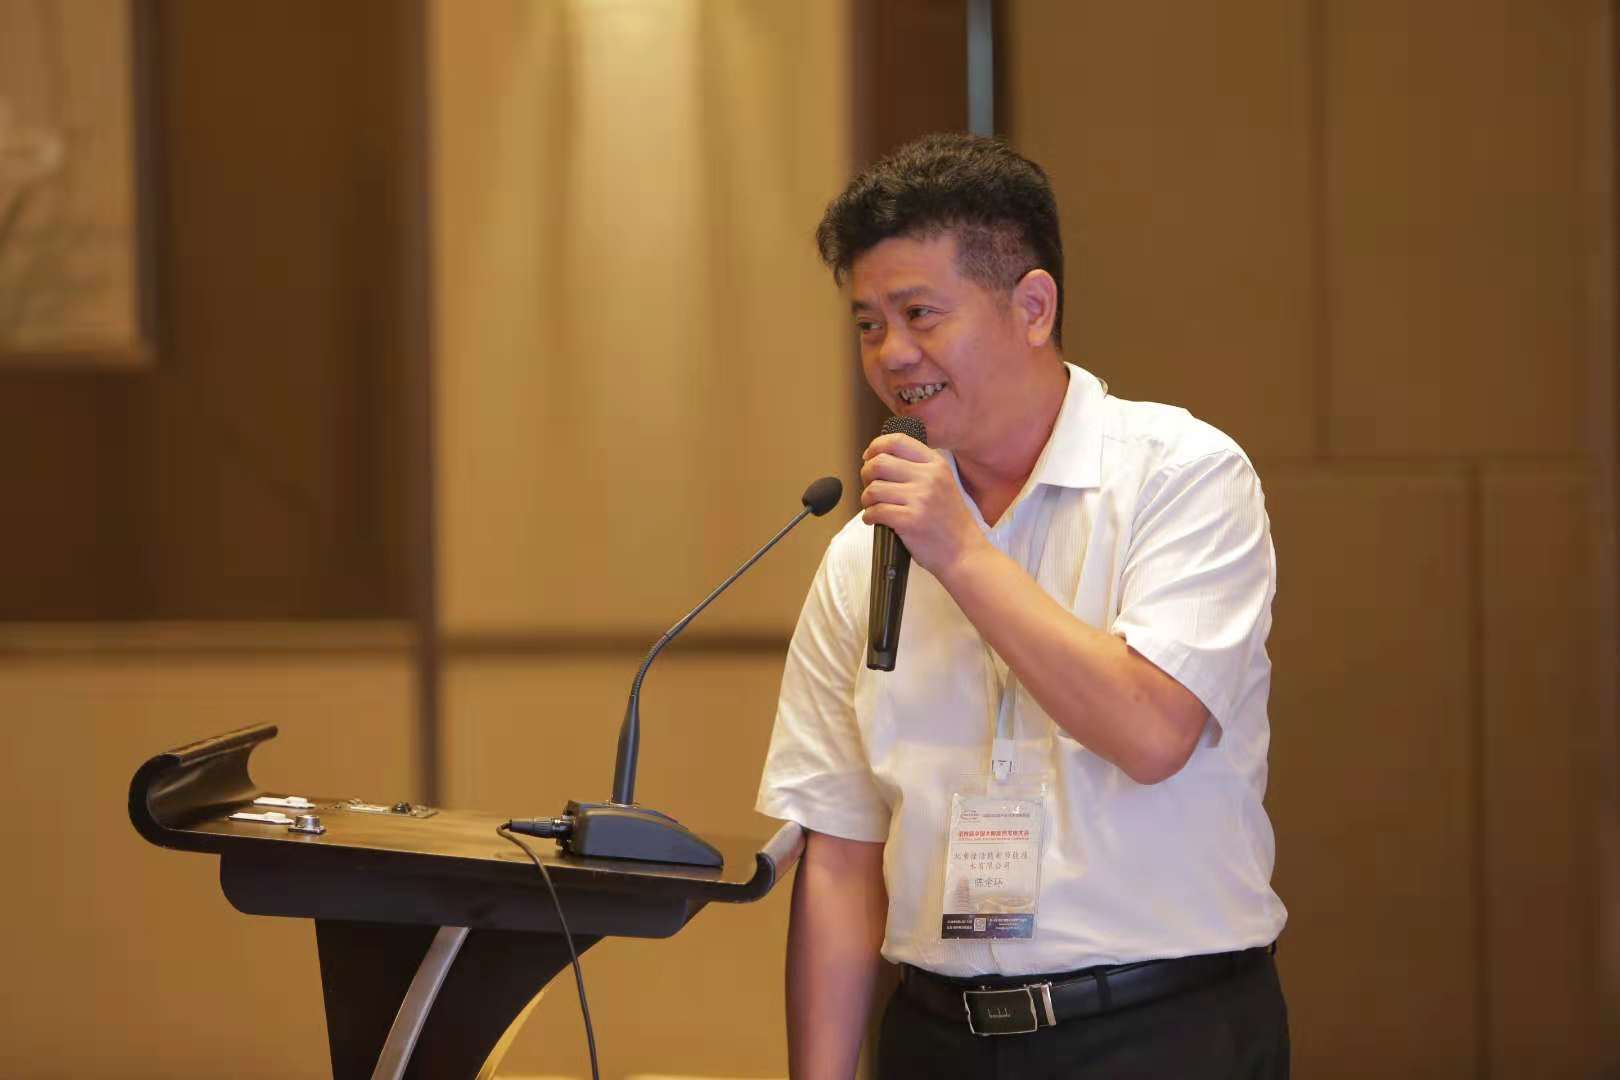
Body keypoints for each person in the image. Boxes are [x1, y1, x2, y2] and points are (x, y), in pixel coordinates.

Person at [755, 132, 1289, 1079]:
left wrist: (962, 550)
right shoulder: (864, 554)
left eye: (920, 313)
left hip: (1160, 1031)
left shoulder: (1182, 477)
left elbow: (1152, 731)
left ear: (1032, 307)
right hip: (936, 1038)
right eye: (869, 324)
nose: (893, 355)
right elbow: (839, 857)